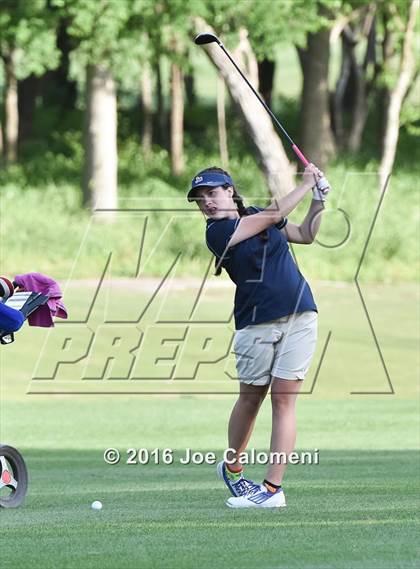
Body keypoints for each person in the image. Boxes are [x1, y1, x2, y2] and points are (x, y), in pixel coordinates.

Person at [187, 163, 329, 508]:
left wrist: (318, 201)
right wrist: (305, 183)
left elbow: (306, 235)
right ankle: (233, 466)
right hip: (255, 322)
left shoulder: (257, 214)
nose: (207, 202)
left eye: (212, 192)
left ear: (229, 190)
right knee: (251, 399)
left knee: (284, 400)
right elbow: (274, 214)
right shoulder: (217, 233)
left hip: (300, 313)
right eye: (200, 198)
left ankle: (271, 490)